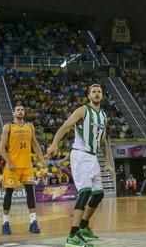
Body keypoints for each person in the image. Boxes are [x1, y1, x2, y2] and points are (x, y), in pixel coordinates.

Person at [45, 84, 114, 247]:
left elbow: (103, 142)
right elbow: (65, 126)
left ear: (102, 96)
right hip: (81, 154)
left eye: (99, 92)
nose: (97, 94)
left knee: (98, 194)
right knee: (85, 192)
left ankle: (83, 227)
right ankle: (72, 235)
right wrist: (54, 144)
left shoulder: (103, 115)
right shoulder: (82, 111)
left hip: (93, 157)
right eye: (93, 92)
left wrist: (108, 163)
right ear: (89, 96)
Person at [0, 103, 45, 235]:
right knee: (8, 194)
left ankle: (33, 222)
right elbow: (2, 148)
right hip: (12, 167)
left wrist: (41, 158)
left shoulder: (30, 126)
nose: (20, 112)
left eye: (22, 110)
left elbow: (35, 144)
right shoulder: (8, 127)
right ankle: (5, 223)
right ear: (14, 113)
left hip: (27, 166)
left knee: (30, 193)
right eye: (18, 110)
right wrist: (9, 162)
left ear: (24, 113)